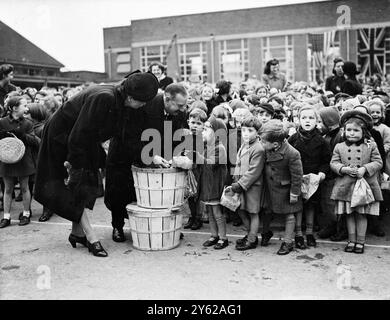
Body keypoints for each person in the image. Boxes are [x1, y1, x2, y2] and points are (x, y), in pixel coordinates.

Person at [33, 71, 159, 257]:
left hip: (84, 140)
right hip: (62, 138)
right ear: (131, 97)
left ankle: (77, 233)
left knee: (89, 185)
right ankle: (91, 237)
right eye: (143, 101)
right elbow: (78, 135)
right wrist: (73, 164)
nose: (144, 105)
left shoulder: (120, 99)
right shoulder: (104, 98)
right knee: (78, 183)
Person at [105, 83, 187, 242]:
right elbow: (129, 135)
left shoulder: (179, 111)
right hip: (125, 152)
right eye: (179, 106)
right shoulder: (145, 104)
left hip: (156, 153)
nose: (183, 109)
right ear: (167, 99)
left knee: (155, 193)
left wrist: (175, 156)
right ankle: (117, 226)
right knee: (120, 191)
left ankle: (156, 226)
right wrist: (151, 155)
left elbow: (179, 134)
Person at [330, 110, 383, 254]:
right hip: (346, 185)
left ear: (364, 131)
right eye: (349, 130)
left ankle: (360, 242)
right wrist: (343, 169)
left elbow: (378, 162)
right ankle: (351, 240)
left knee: (361, 214)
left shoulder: (370, 145)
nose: (351, 133)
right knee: (349, 214)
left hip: (364, 187)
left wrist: (365, 169)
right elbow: (333, 163)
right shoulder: (339, 147)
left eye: (356, 130)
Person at [288, 106, 331, 248]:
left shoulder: (322, 141)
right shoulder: (293, 139)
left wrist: (321, 174)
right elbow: (287, 158)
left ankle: (310, 232)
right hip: (297, 178)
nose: (307, 121)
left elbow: (326, 161)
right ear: (298, 120)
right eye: (304, 118)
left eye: (311, 118)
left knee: (311, 206)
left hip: (313, 180)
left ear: (317, 121)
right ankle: (299, 233)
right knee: (298, 206)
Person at [260, 120, 303, 255]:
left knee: (289, 215)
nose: (261, 143)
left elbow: (297, 176)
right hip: (269, 187)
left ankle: (288, 242)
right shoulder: (267, 148)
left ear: (276, 144)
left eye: (263, 141)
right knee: (266, 211)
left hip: (284, 189)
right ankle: (266, 232)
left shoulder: (292, 153)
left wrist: (294, 193)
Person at [0, 97, 40, 228]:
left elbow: (36, 142)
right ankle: (6, 217)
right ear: (14, 108)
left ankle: (26, 213)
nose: (27, 108)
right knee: (8, 189)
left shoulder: (28, 123)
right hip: (7, 158)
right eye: (24, 105)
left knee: (24, 187)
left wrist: (23, 135)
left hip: (24, 159)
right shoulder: (2, 122)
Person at [230, 116, 265, 250]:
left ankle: (252, 239)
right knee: (241, 210)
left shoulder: (258, 148)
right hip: (241, 184)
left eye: (250, 130)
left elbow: (254, 171)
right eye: (243, 130)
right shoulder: (245, 144)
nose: (245, 133)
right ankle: (250, 234)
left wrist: (240, 184)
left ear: (257, 132)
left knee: (252, 212)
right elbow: (238, 164)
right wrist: (235, 178)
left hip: (252, 187)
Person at [196, 117, 228, 249]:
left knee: (217, 212)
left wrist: (198, 157)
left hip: (215, 185)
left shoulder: (219, 148)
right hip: (208, 185)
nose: (202, 133)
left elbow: (211, 164)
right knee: (209, 212)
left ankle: (223, 238)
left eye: (205, 130)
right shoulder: (206, 146)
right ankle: (214, 235)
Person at [183, 108, 207, 230]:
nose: (195, 126)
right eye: (193, 122)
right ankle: (191, 217)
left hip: (200, 170)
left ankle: (198, 217)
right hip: (189, 169)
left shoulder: (204, 139)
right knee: (190, 195)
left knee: (198, 195)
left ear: (203, 126)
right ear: (188, 122)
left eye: (199, 124)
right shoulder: (186, 136)